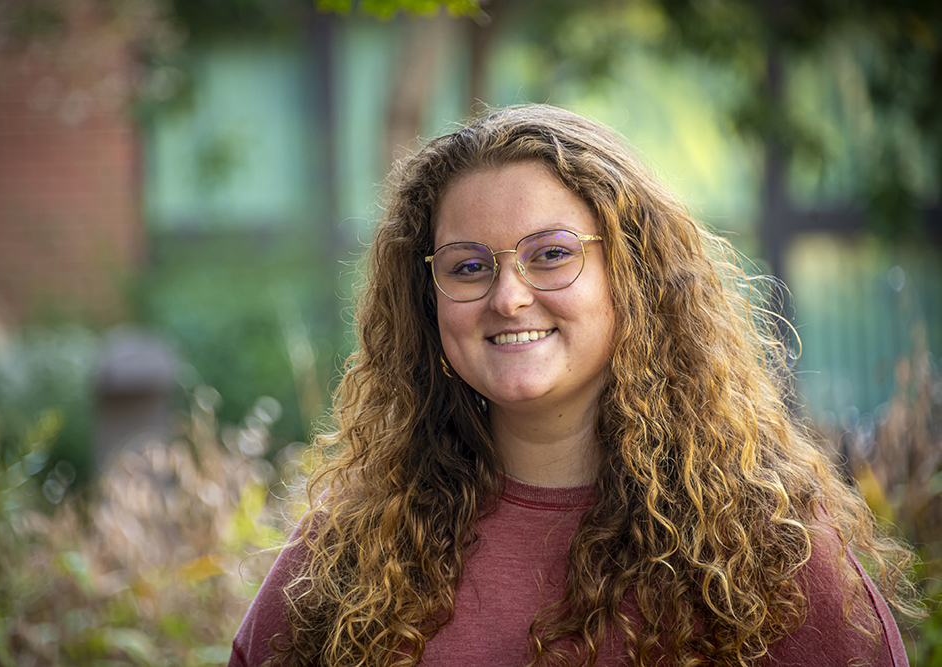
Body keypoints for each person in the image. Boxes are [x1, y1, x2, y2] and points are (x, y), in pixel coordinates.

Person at [229, 105, 919, 666]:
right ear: (426, 299)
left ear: (633, 275)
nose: (508, 296)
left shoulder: (768, 549)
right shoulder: (353, 547)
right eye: (468, 267)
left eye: (550, 255)